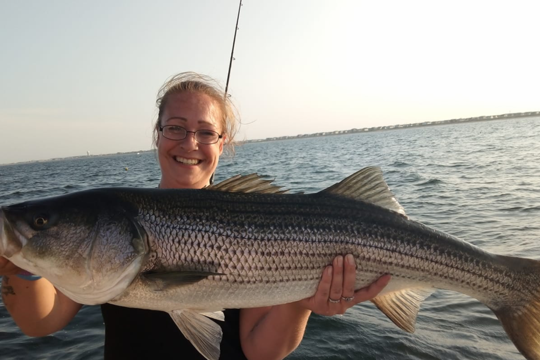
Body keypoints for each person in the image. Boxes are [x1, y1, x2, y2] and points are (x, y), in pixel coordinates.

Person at [0, 72, 391, 359]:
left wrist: (300, 301)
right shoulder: (111, 226)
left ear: (224, 143)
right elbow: (39, 324)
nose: (190, 143)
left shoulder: (255, 219)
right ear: (157, 133)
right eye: (175, 127)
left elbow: (260, 351)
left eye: (206, 132)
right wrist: (20, 263)